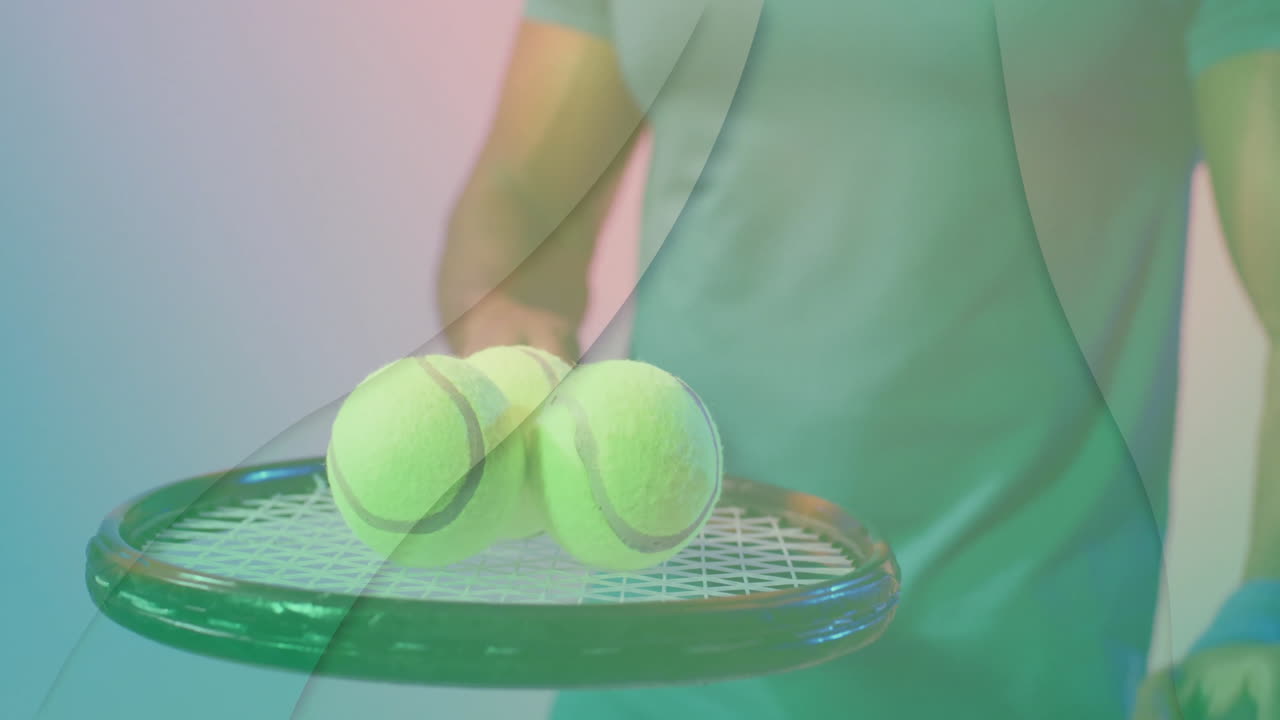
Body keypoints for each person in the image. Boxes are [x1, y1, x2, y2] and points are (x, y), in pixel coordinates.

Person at [437, 2, 1280, 718]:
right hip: (644, 673)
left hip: (999, 689)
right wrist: (504, 320)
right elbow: (522, 192)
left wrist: (1264, 610)